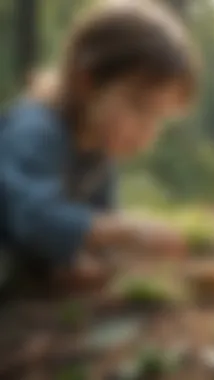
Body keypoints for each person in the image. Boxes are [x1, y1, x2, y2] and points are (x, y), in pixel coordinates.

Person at [0, 0, 199, 295]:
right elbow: (33, 218)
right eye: (140, 108)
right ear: (87, 83)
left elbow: (96, 221)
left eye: (160, 119)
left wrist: (85, 259)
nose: (148, 131)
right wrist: (126, 231)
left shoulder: (98, 154)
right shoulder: (35, 129)